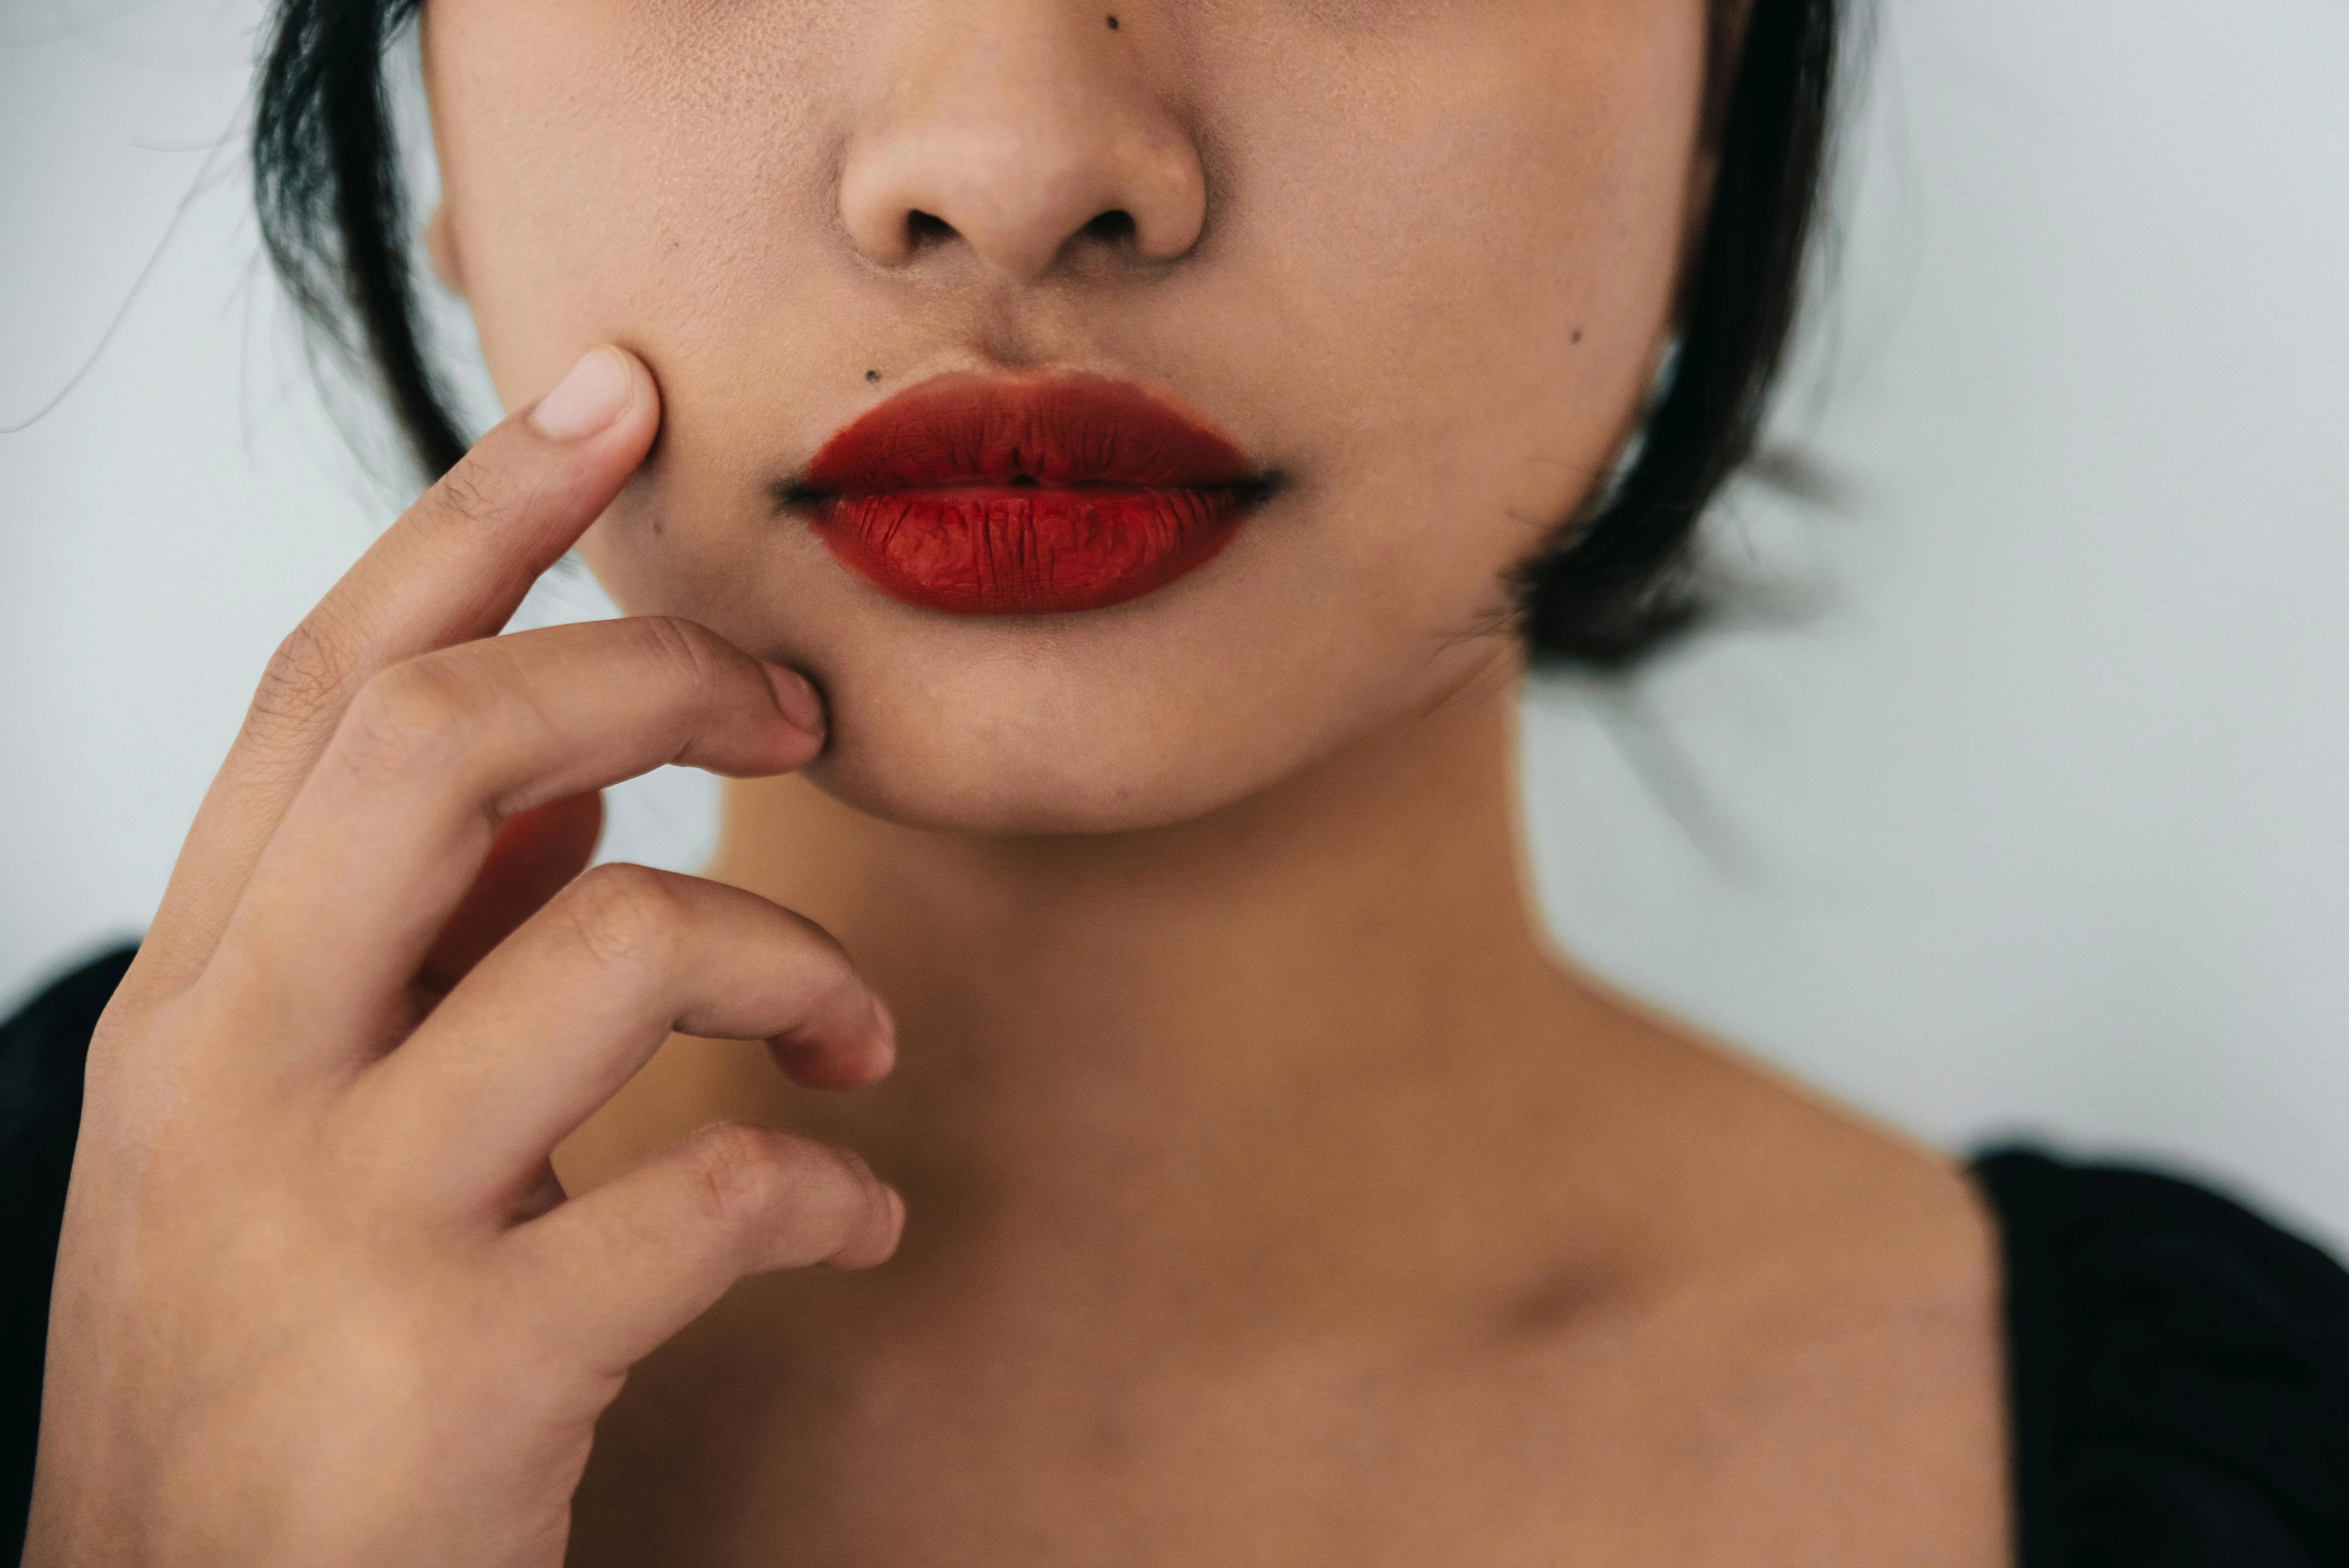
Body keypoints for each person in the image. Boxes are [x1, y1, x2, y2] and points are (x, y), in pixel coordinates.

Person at [6, 0, 2347, 1562]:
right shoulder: (77, 1307)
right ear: (429, 95)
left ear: (1722, 84)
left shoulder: (2252, 1464)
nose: (1017, 163)